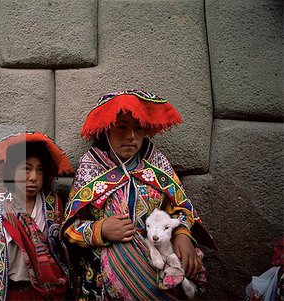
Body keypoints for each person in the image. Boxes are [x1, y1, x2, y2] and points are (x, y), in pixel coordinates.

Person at [61, 89, 218, 300]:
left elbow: (179, 207)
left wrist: (181, 233)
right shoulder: (91, 168)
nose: (131, 136)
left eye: (138, 128)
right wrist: (101, 229)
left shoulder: (156, 163)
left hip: (160, 252)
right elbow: (70, 227)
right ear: (106, 129)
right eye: (122, 127)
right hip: (108, 277)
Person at [0, 131, 73, 301]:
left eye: (39, 170)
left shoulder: (54, 205)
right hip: (8, 294)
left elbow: (64, 254)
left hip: (47, 295)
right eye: (26, 169)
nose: (33, 178)